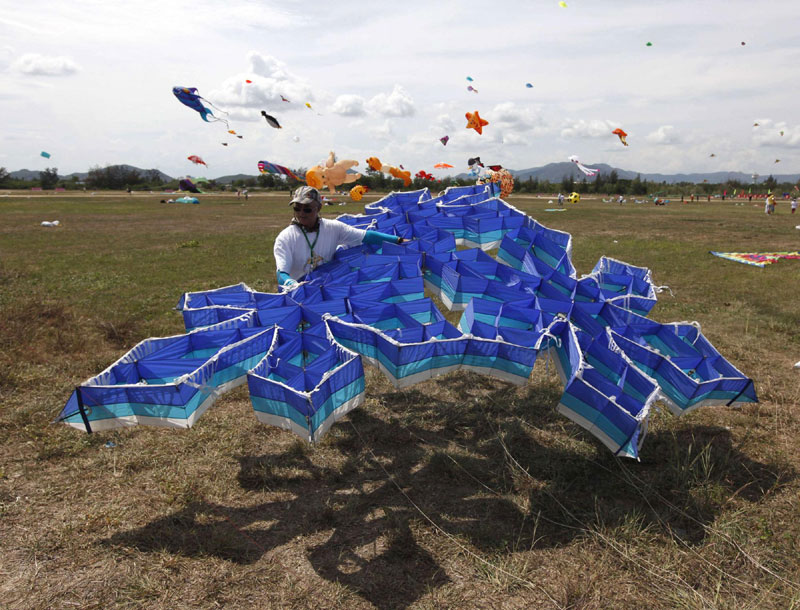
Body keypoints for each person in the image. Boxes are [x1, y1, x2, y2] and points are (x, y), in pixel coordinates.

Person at [274, 186, 403, 288]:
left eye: (307, 209)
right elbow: (281, 273)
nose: (301, 213)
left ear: (318, 208)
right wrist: (292, 284)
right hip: (296, 292)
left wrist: (398, 240)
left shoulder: (333, 228)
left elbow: (366, 236)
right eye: (297, 209)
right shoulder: (285, 238)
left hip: (324, 288)